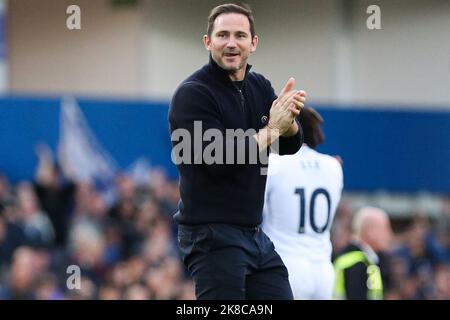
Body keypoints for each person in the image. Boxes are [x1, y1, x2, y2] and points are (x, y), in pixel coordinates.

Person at [168, 3, 306, 299]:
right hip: (211, 235)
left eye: (240, 35)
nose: (231, 43)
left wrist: (289, 121)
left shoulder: (259, 85)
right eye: (223, 35)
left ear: (253, 43)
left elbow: (289, 146)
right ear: (208, 42)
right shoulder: (192, 93)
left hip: (254, 234)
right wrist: (271, 130)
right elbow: (218, 157)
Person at [262, 107, 343, 299]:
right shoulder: (333, 166)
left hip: (286, 267)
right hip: (323, 270)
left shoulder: (274, 163)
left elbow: (257, 209)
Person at [333, 206, 393, 300]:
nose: (390, 235)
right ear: (371, 231)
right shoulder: (357, 264)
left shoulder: (365, 260)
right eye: (386, 229)